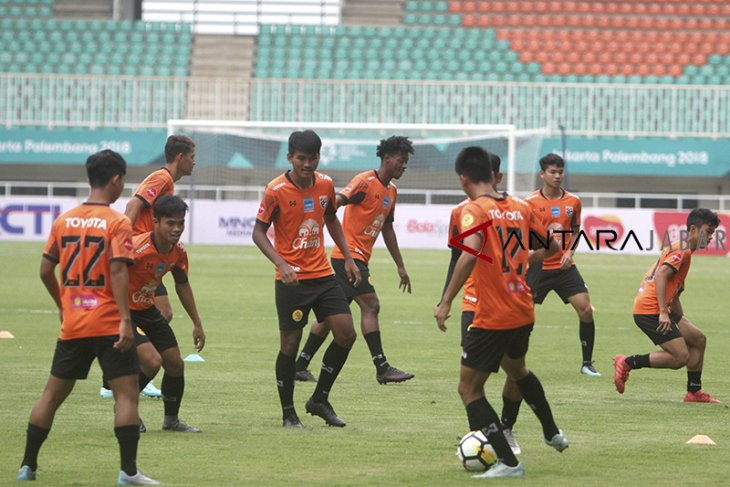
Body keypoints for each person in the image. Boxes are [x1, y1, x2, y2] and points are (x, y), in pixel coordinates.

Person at [17, 149, 161, 485]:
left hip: (75, 322)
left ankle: (27, 466)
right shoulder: (117, 222)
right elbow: (118, 270)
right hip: (110, 323)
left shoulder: (63, 220)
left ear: (88, 179)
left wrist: (64, 306)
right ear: (116, 179)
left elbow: (44, 270)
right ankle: (128, 472)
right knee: (127, 395)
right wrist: (126, 320)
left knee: (51, 396)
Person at [434, 147, 568, 479]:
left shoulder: (475, 210)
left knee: (469, 389)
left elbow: (468, 255)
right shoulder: (521, 206)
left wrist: (446, 300)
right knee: (517, 369)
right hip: (522, 306)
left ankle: (510, 462)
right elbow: (553, 246)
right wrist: (529, 257)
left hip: (492, 313)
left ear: (464, 178)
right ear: (491, 175)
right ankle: (552, 432)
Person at [252, 130, 362, 428]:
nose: (307, 164)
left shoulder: (325, 184)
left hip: (324, 275)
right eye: (301, 158)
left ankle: (319, 399)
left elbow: (330, 219)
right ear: (290, 157)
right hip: (292, 281)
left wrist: (348, 258)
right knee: (289, 345)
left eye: (313, 158)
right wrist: (281, 262)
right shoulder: (275, 190)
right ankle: (288, 412)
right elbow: (258, 232)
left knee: (346, 334)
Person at [295, 135, 415, 385]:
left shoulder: (391, 191)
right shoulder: (364, 182)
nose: (404, 165)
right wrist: (316, 216)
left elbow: (388, 228)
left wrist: (400, 265)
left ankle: (300, 364)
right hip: (347, 258)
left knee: (330, 318)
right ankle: (382, 367)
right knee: (371, 305)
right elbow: (337, 201)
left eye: (406, 162)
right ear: (387, 158)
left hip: (355, 260)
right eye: (401, 161)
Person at [100, 135, 195, 399]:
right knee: (153, 313)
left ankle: (138, 366)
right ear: (180, 157)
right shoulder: (161, 178)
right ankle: (129, 369)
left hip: (156, 257)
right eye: (192, 156)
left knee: (163, 314)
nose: (194, 162)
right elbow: (133, 204)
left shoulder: (167, 183)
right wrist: (124, 240)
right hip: (141, 257)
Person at [613, 208, 721, 403]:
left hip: (662, 308)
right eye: (709, 231)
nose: (711, 237)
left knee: (698, 339)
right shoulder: (683, 250)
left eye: (713, 233)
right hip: (650, 311)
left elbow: (676, 293)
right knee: (680, 357)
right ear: (694, 229)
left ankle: (694, 392)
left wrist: (680, 322)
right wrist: (663, 312)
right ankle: (627, 362)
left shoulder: (684, 250)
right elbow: (662, 274)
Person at [128, 194, 206, 432]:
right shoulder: (136, 248)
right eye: (170, 223)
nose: (176, 228)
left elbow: (182, 284)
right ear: (156, 222)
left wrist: (197, 323)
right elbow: (111, 274)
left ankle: (171, 421)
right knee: (152, 362)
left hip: (146, 310)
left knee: (174, 364)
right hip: (122, 311)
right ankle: (125, 408)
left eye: (180, 223)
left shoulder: (178, 252)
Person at [524, 153, 600, 377]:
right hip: (538, 268)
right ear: (542, 174)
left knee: (585, 309)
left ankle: (587, 363)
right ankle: (512, 360)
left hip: (564, 267)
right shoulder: (528, 203)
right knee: (521, 316)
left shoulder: (573, 201)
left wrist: (570, 251)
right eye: (552, 172)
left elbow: (576, 230)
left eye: (560, 172)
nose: (557, 176)